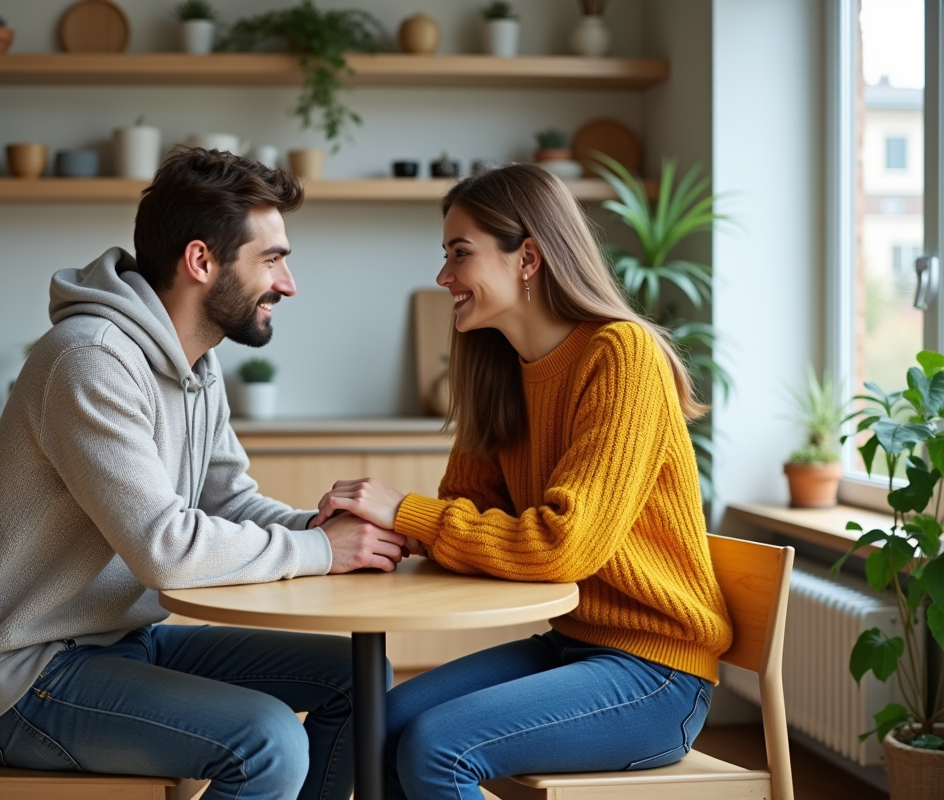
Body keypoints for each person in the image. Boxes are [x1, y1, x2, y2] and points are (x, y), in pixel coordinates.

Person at [0, 148, 408, 800]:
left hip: (124, 642)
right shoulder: (91, 361)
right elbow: (165, 549)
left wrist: (324, 530)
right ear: (201, 261)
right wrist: (321, 551)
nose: (288, 284)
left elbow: (228, 499)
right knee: (269, 743)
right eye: (272, 259)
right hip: (34, 675)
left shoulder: (194, 363)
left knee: (360, 678)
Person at [312, 164, 734, 800]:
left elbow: (565, 546)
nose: (443, 276)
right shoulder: (500, 368)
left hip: (657, 672)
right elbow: (467, 511)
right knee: (375, 725)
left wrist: (406, 512)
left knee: (436, 748)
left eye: (460, 253)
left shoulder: (621, 355)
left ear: (528, 257)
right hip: (571, 645)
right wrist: (380, 528)